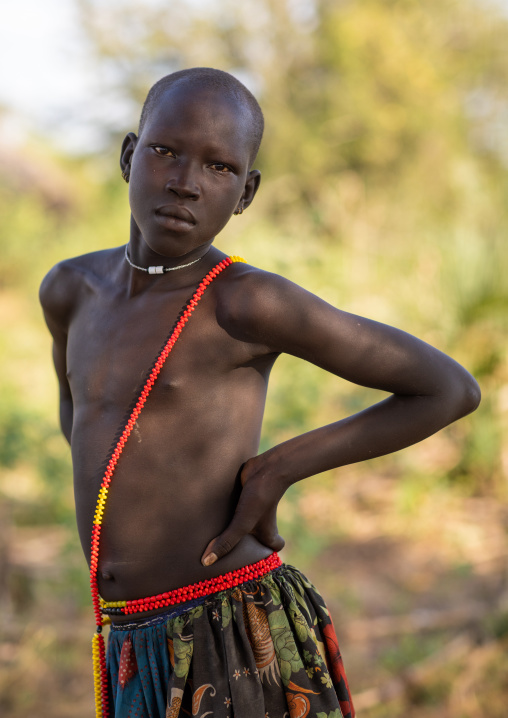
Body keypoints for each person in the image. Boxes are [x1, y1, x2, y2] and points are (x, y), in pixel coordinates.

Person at [39, 67, 480, 718]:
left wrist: (281, 466)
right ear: (130, 155)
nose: (186, 182)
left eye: (219, 168)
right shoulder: (71, 291)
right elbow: (81, 426)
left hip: (231, 633)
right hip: (127, 634)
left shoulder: (242, 302)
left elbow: (447, 388)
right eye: (165, 151)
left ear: (245, 193)